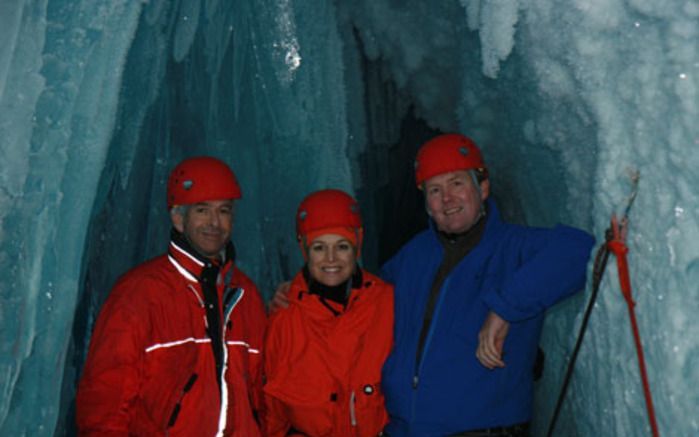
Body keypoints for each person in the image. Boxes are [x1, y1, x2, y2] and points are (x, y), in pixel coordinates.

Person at [379, 133, 594, 436]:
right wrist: (296, 295)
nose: (447, 199)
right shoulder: (414, 255)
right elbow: (365, 296)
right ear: (427, 204)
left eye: (457, 183)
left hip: (484, 429)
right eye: (434, 190)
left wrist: (504, 309)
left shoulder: (516, 247)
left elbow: (581, 250)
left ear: (483, 188)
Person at [76, 156, 267, 437]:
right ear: (178, 217)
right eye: (202, 210)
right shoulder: (139, 294)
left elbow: (266, 396)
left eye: (224, 211)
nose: (214, 222)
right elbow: (106, 401)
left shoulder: (245, 294)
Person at [263, 189, 394, 437]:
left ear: (357, 245)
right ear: (304, 249)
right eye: (319, 248)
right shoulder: (285, 317)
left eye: (342, 246)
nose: (331, 259)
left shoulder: (387, 304)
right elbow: (272, 411)